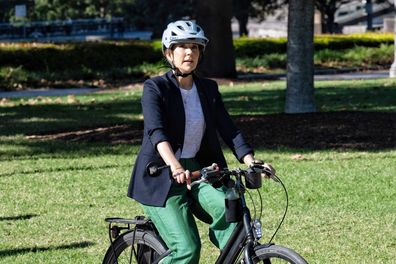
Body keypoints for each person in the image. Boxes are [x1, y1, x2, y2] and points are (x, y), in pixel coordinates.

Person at [127, 20, 275, 264]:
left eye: (195, 47)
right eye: (182, 46)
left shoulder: (207, 88)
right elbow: (156, 132)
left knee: (232, 211)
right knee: (187, 250)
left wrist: (251, 160)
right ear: (168, 53)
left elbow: (228, 128)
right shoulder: (155, 88)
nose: (189, 53)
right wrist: (175, 166)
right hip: (162, 176)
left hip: (199, 171)